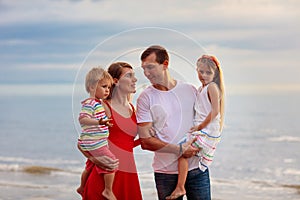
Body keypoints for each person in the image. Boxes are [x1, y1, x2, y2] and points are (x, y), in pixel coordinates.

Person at [136, 45, 211, 200]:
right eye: (144, 69)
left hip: (197, 169)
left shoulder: (189, 90)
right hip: (165, 173)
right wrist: (179, 149)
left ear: (165, 64)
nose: (146, 73)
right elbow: (145, 142)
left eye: (150, 67)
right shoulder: (145, 97)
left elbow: (206, 122)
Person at [166, 55, 225, 199]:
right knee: (182, 151)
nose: (204, 75)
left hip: (207, 130)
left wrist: (200, 126)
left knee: (182, 152)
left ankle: (180, 187)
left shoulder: (212, 87)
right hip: (202, 129)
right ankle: (181, 186)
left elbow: (215, 112)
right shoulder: (201, 88)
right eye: (201, 72)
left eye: (208, 73)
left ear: (215, 73)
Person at [81, 62, 143, 200]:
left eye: (134, 75)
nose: (135, 79)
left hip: (128, 174)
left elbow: (126, 144)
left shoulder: (133, 109)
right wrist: (93, 159)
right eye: (129, 76)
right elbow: (82, 141)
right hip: (105, 178)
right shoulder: (103, 107)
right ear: (116, 81)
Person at [77, 67, 117, 200]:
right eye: (104, 86)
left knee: (89, 166)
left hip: (90, 142)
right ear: (92, 87)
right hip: (95, 143)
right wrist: (99, 122)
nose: (107, 90)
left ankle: (82, 187)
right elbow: (82, 119)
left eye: (109, 87)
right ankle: (108, 190)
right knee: (111, 162)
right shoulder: (90, 104)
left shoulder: (97, 103)